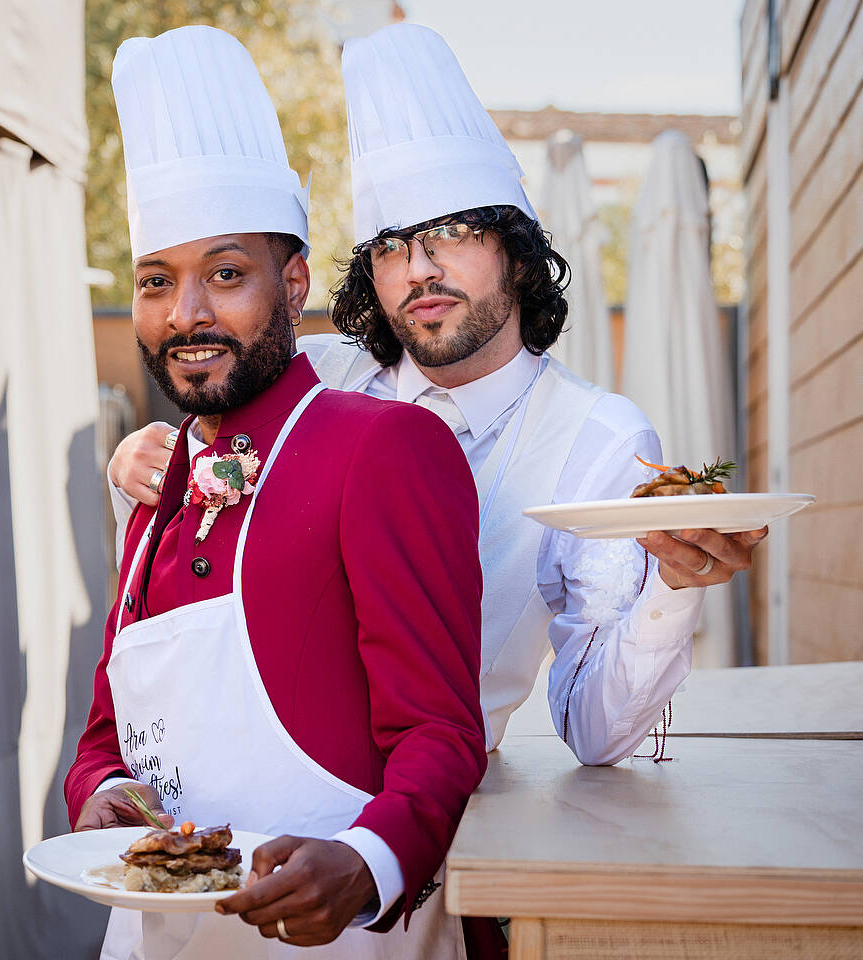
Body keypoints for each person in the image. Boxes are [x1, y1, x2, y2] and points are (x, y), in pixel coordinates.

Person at [109, 22, 767, 772]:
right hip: (236, 785)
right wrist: (134, 461)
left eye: (451, 232)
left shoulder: (598, 440)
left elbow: (596, 731)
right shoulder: (317, 376)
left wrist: (674, 590)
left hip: (432, 826)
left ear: (516, 256)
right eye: (389, 245)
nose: (419, 270)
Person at [65, 25, 488, 960]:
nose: (187, 315)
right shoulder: (152, 491)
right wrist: (101, 795)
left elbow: (441, 731)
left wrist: (370, 861)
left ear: (292, 282)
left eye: (225, 274)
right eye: (155, 282)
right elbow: (105, 732)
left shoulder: (384, 446)